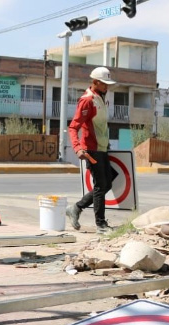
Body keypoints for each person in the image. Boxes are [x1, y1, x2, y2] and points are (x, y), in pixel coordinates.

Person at [65, 67, 117, 234]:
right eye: (104, 84)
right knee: (101, 185)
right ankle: (101, 225)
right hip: (91, 150)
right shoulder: (87, 101)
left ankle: (76, 207)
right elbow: (73, 127)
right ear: (95, 82)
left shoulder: (101, 98)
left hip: (102, 149)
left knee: (108, 182)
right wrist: (77, 148)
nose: (106, 87)